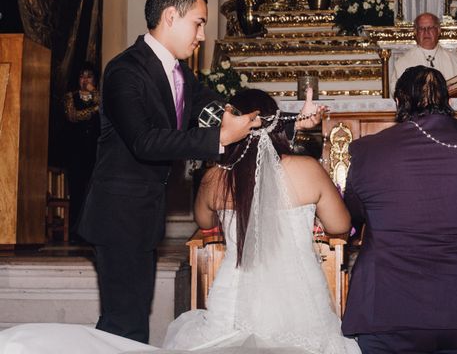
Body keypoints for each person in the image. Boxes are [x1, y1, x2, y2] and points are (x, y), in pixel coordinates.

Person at [0, 89, 359, 354]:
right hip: (297, 303)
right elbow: (340, 226)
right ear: (277, 125)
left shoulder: (216, 178)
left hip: (232, 306)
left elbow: (203, 221)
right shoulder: (308, 171)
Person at [76, 0, 263, 344]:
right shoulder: (123, 71)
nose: (202, 35)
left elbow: (204, 102)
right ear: (171, 16)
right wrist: (220, 137)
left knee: (130, 320)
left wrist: (242, 117)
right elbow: (144, 141)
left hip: (144, 216)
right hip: (118, 215)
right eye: (199, 22)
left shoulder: (180, 72)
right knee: (124, 323)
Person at [342, 65, 457, 354]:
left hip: (390, 309)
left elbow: (352, 214)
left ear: (398, 103)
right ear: (448, 102)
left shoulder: (367, 149)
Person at [63, 62, 101, 240]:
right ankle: (76, 232)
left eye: (89, 76)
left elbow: (107, 109)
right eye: (82, 76)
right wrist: (95, 109)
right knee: (77, 190)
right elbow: (73, 116)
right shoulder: (71, 96)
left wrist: (95, 93)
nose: (85, 80)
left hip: (96, 151)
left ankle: (93, 231)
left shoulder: (99, 96)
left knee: (95, 191)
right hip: (76, 151)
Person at [390, 12, 457, 92]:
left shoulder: (455, 61)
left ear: (439, 30)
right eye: (422, 28)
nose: (426, 32)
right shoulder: (403, 63)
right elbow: (396, 91)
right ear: (415, 32)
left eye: (431, 28)